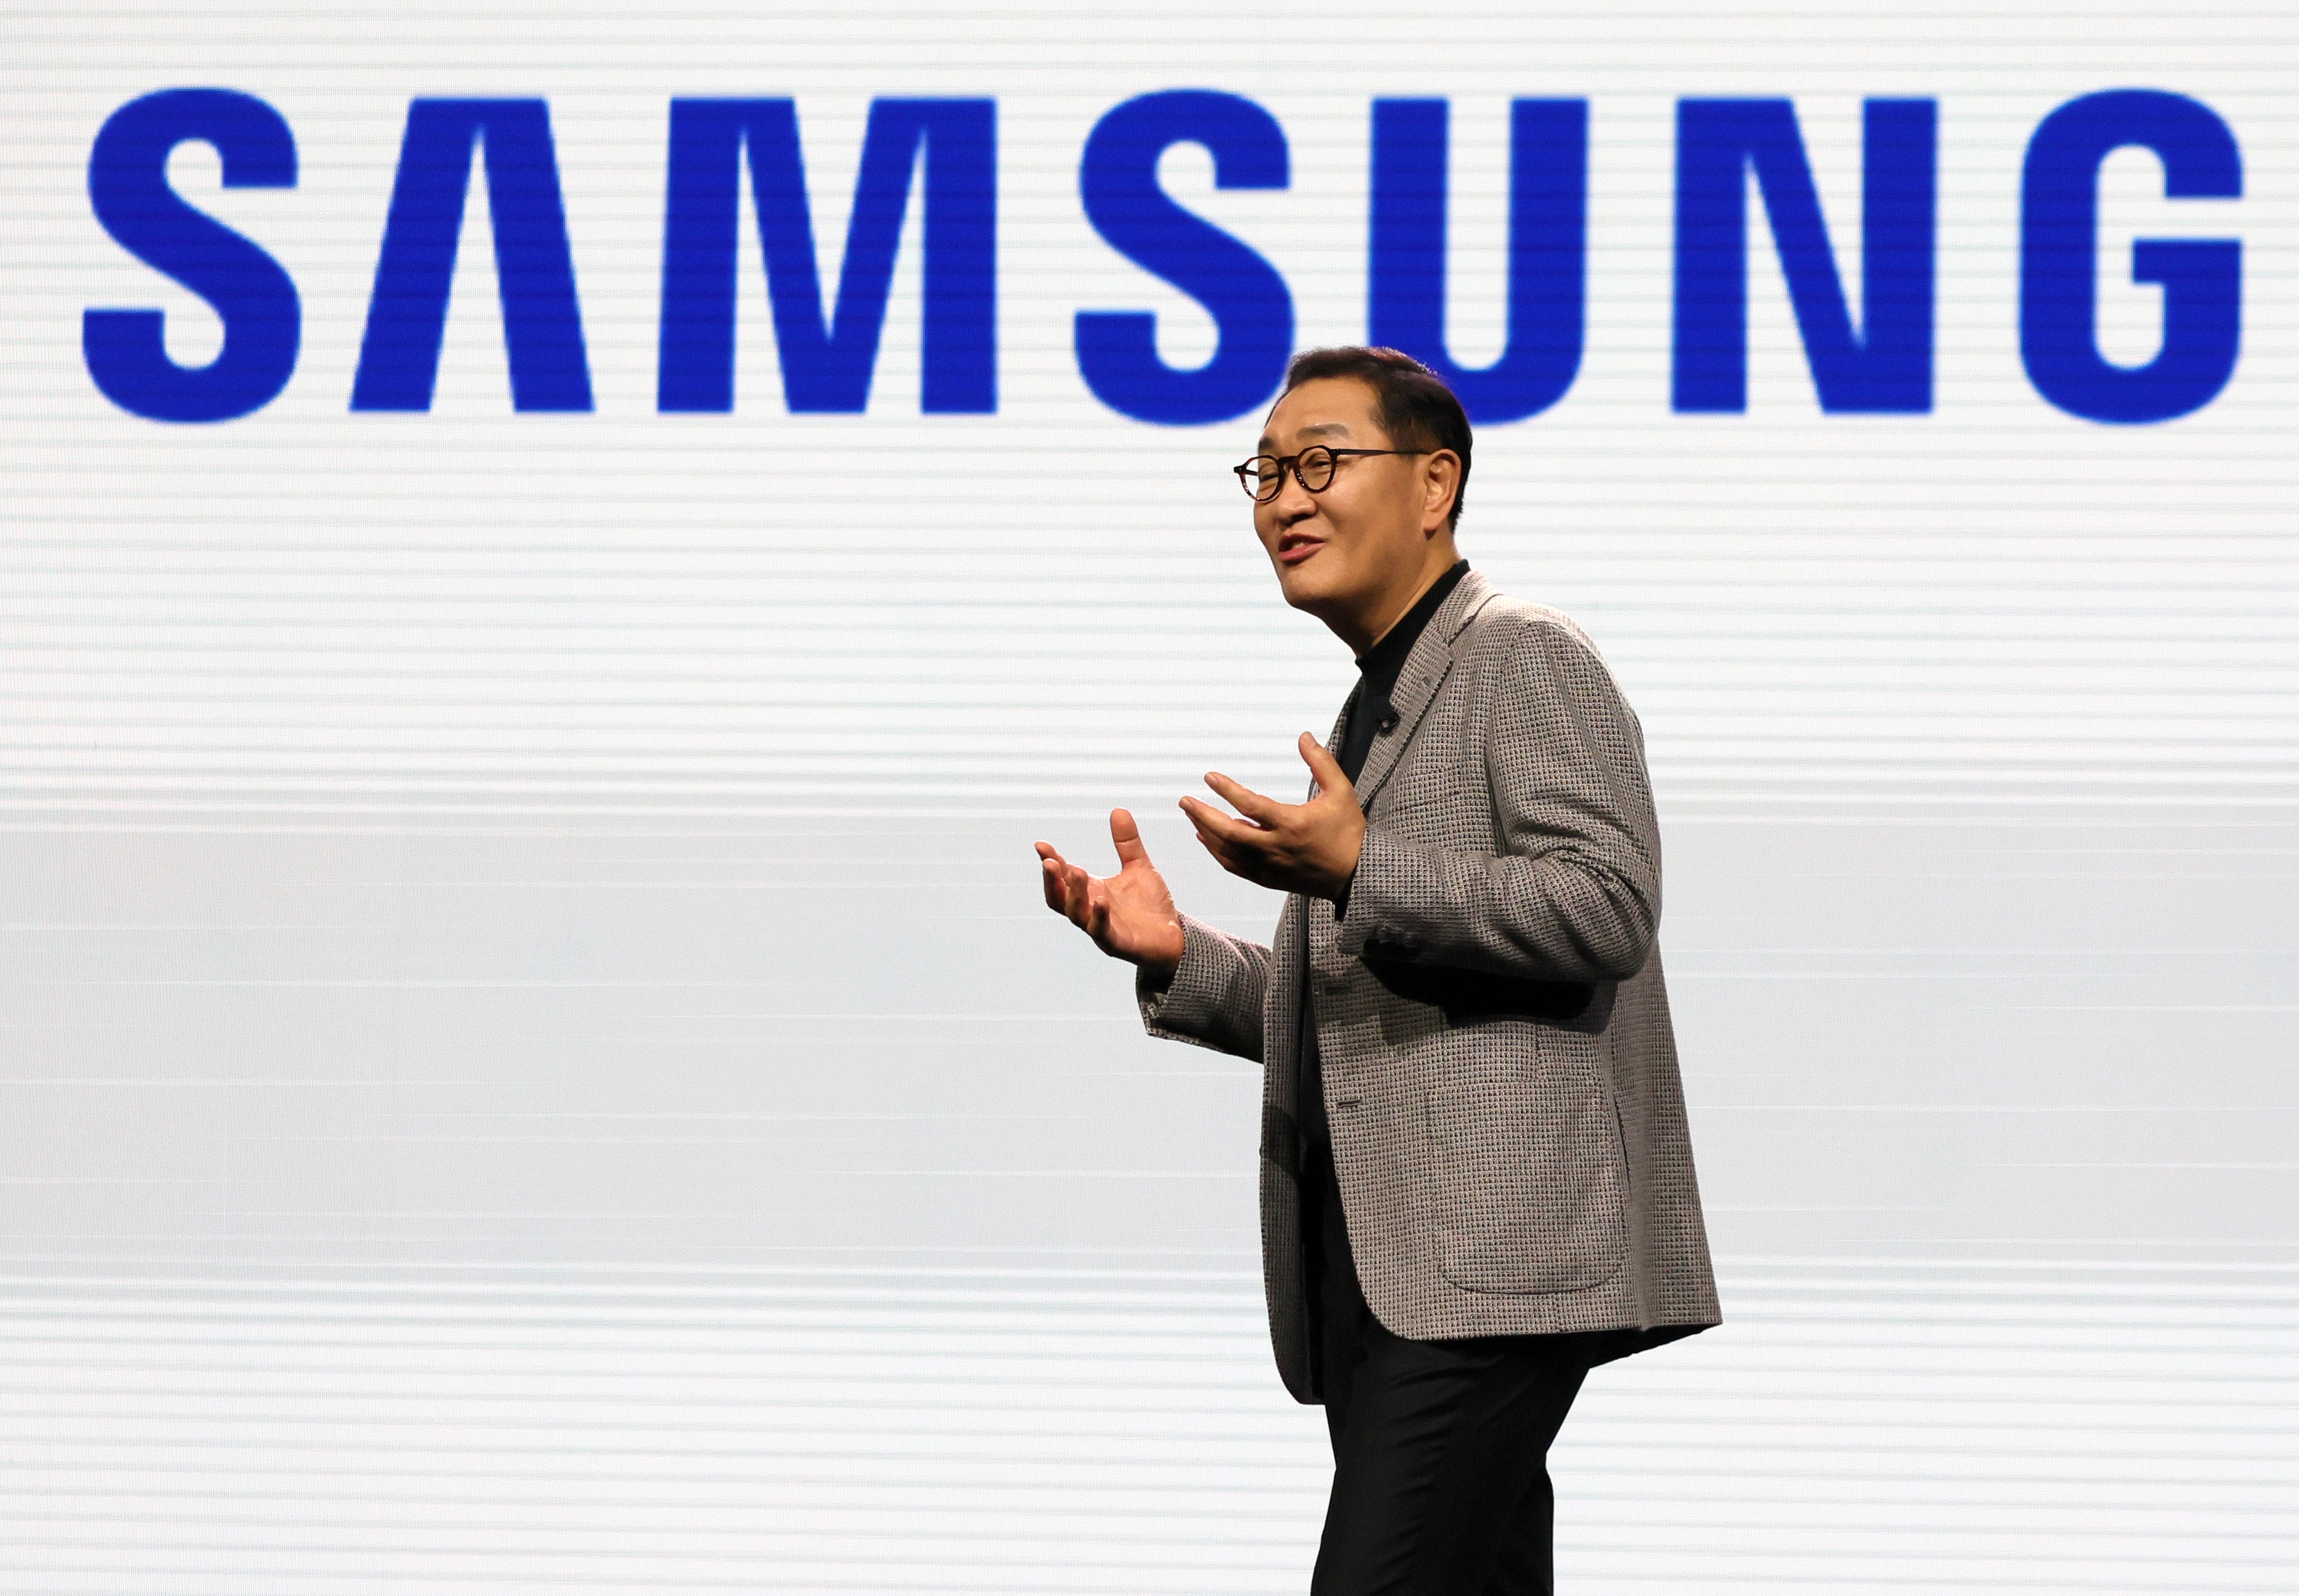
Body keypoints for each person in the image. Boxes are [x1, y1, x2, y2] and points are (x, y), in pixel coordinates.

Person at [1034, 346, 1720, 1595]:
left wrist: (1361, 866)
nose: (1283, 502)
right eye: (1265, 474)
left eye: (1320, 464)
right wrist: (1180, 956)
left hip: (1490, 1269)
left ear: (1433, 484)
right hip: (1386, 1266)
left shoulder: (1519, 652)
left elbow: (1607, 906)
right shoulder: (1375, 706)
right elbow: (1364, 1003)